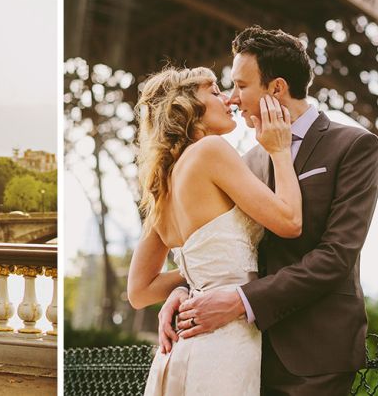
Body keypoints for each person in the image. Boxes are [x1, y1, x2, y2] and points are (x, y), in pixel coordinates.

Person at [160, 27, 378, 395]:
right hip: (244, 350)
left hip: (315, 352)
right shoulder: (244, 162)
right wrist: (184, 289)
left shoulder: (353, 146)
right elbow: (232, 246)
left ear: (276, 88)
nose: (232, 99)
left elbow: (336, 255)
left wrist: (241, 301)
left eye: (241, 86)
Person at [128, 65, 302, 395]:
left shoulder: (161, 184)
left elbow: (140, 291)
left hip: (187, 341)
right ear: (188, 107)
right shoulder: (211, 151)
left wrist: (194, 282)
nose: (228, 99)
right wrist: (280, 150)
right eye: (214, 91)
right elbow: (291, 222)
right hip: (225, 338)